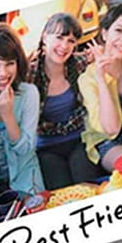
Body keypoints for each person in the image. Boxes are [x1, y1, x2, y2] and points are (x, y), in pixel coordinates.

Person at [29, 13, 104, 189]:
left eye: (71, 41)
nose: (64, 46)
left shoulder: (78, 63)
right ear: (45, 37)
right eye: (59, 37)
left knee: (87, 185)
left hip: (79, 138)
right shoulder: (30, 73)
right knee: (61, 190)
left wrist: (100, 55)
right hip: (46, 145)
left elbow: (106, 54)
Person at [78, 3, 122, 172]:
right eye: (119, 30)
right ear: (104, 33)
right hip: (108, 142)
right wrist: (101, 80)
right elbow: (111, 129)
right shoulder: (88, 78)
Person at [0, 24, 44, 195]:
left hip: (24, 179)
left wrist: (7, 115)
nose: (3, 73)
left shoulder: (29, 93)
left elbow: (25, 149)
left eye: (9, 64)